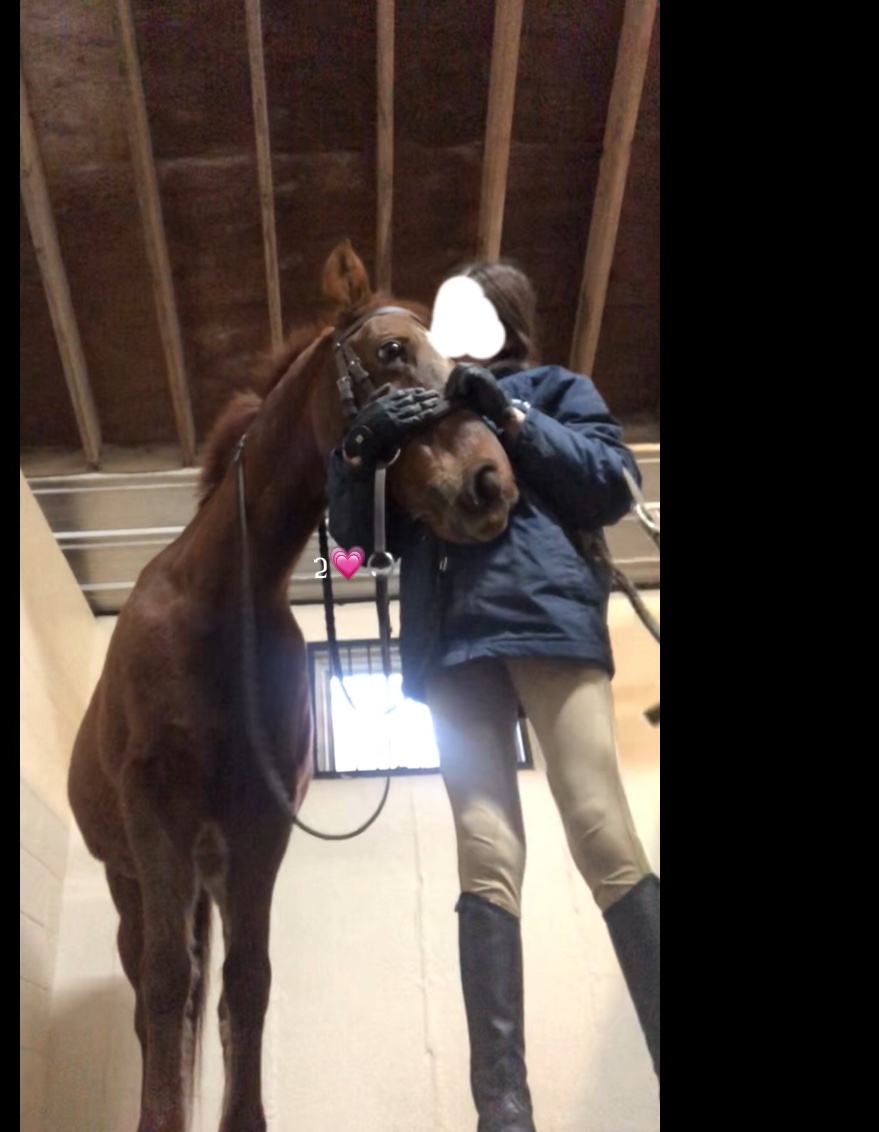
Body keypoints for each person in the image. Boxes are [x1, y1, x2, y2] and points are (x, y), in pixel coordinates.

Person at [325, 260, 659, 1130]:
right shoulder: (405, 432)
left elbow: (614, 485)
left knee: (601, 830)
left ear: (507, 318)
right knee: (484, 854)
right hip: (449, 642)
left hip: (543, 613)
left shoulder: (553, 388)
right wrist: (356, 455)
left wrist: (510, 413)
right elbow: (350, 561)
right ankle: (502, 1113)